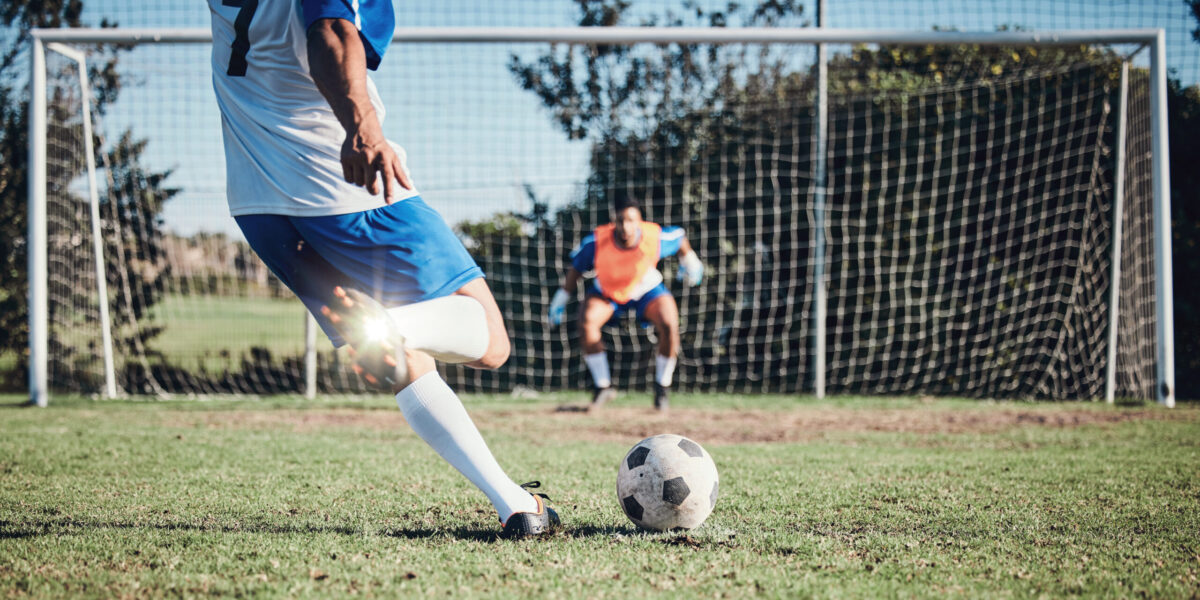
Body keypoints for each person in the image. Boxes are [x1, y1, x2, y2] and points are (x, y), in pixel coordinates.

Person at [207, 0, 557, 538]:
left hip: (257, 202)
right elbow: (328, 29)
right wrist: (363, 127)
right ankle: (389, 325)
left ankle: (516, 506)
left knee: (404, 360)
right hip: (345, 187)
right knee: (488, 338)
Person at [547, 195, 704, 412]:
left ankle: (662, 387)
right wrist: (560, 300)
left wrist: (691, 262)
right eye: (621, 220)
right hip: (609, 293)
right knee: (587, 320)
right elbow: (575, 271)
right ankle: (603, 386)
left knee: (669, 323)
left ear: (639, 220)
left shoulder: (654, 237)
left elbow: (679, 237)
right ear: (614, 221)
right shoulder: (596, 241)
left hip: (646, 290)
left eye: (631, 220)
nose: (625, 226)